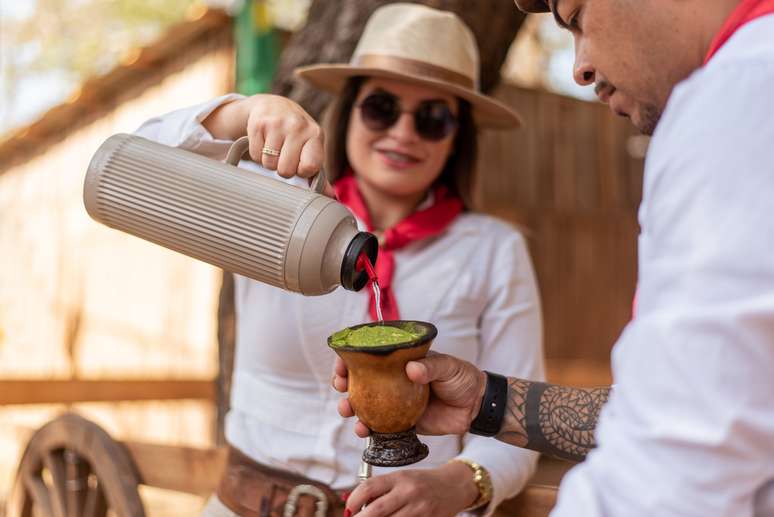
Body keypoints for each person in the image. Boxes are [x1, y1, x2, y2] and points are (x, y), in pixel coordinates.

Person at [335, 0, 774, 515]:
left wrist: (462, 481)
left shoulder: (739, 97)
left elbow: (676, 464)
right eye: (381, 107)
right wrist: (483, 399)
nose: (580, 67)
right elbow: (691, 404)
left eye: (576, 17)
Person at [135, 4, 544, 516]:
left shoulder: (493, 249)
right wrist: (242, 112)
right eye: (381, 107)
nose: (403, 132)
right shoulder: (275, 205)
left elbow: (513, 416)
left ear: (457, 137)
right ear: (349, 109)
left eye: (433, 118)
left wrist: (460, 483)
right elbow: (126, 161)